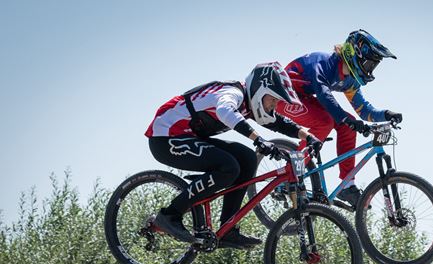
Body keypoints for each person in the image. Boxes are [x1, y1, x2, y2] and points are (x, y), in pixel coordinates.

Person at [144, 62, 323, 249]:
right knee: (228, 167)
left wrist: (309, 137)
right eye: (273, 99)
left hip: (188, 137)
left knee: (247, 158)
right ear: (260, 91)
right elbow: (225, 111)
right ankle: (169, 215)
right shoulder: (233, 94)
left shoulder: (249, 104)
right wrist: (258, 139)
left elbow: (278, 122)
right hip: (165, 138)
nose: (274, 105)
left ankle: (228, 230)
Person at [276, 29, 403, 207]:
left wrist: (386, 114)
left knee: (346, 126)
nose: (370, 70)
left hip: (304, 97)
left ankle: (347, 185)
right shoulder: (323, 63)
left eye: (373, 66)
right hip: (282, 96)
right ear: (355, 54)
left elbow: (363, 110)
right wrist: (346, 119)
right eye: (369, 64)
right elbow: (324, 95)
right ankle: (290, 175)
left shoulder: (350, 80)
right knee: (325, 122)